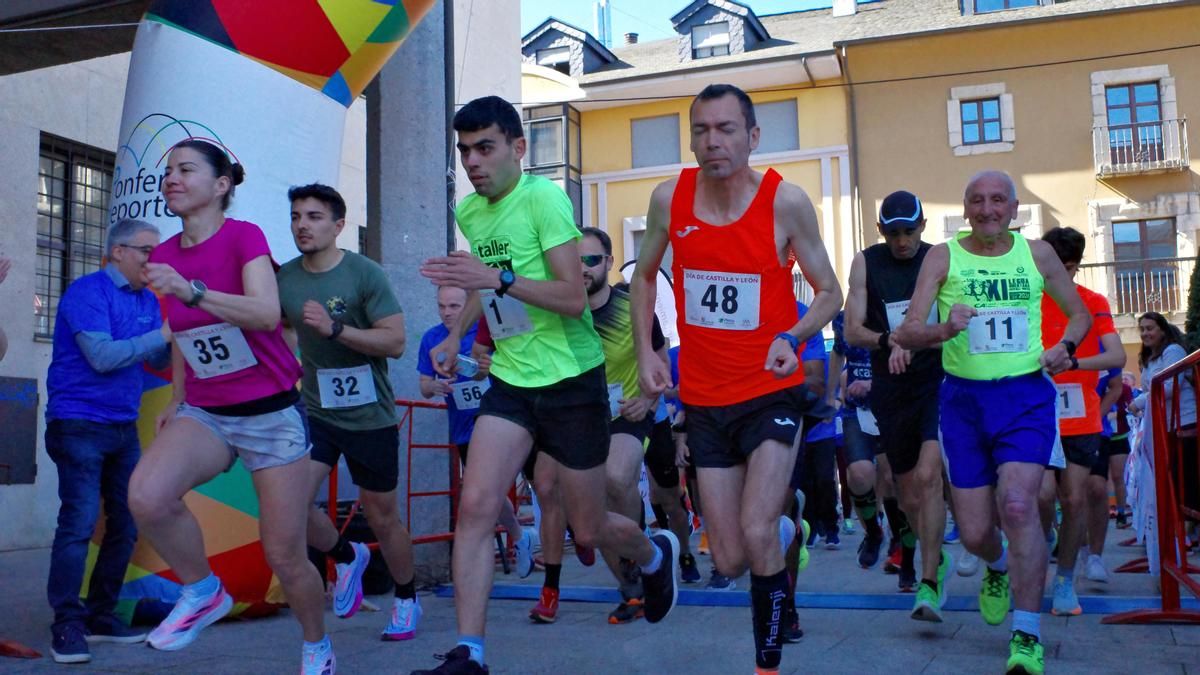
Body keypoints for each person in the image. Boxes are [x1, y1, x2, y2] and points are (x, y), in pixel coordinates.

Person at [415, 96, 678, 675]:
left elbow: (569, 296)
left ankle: (653, 554)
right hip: (511, 381)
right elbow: (484, 288)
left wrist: (499, 277)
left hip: (572, 382)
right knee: (477, 508)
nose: (474, 162)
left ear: (518, 148)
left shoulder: (545, 199)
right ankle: (470, 651)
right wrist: (456, 333)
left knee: (588, 527)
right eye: (465, 151)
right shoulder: (471, 212)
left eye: (485, 148)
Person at [631, 83, 841, 675]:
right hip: (703, 399)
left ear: (752, 136)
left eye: (726, 129)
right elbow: (645, 276)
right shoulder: (668, 198)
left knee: (754, 532)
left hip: (771, 389)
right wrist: (646, 350)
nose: (712, 141)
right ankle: (783, 517)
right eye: (701, 130)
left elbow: (830, 293)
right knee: (728, 554)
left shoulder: (785, 202)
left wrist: (792, 338)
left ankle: (766, 663)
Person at [127, 140, 331, 675]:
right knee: (146, 496)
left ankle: (316, 645)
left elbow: (266, 314)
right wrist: (176, 398)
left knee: (284, 555)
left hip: (270, 413)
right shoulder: (165, 255)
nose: (171, 178)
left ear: (221, 186)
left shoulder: (245, 238)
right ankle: (202, 591)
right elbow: (183, 338)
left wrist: (191, 291)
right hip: (208, 411)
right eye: (167, 170)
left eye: (186, 169)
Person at [895, 170, 1090, 675]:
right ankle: (997, 566)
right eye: (977, 201)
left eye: (997, 200)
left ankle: (1026, 635)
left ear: (1014, 208)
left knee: (1020, 504)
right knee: (978, 531)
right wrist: (943, 326)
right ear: (965, 209)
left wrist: (1065, 348)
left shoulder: (1038, 255)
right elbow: (908, 332)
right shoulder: (942, 256)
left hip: (1025, 396)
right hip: (962, 403)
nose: (987, 209)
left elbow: (1079, 316)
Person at [276, 183, 420, 641]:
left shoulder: (365, 274)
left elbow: (395, 342)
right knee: (290, 506)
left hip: (370, 416)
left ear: (338, 225)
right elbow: (277, 328)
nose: (303, 224)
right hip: (316, 412)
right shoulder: (286, 279)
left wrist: (336, 329)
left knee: (383, 516)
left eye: (314, 216)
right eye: (297, 216)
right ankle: (346, 554)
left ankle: (406, 595)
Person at [43, 221, 168, 663]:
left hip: (122, 426)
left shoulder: (149, 301)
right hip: (77, 423)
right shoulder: (87, 292)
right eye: (147, 251)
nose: (155, 260)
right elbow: (103, 356)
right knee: (77, 523)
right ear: (118, 252)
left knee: (127, 521)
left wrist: (198, 316)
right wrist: (166, 334)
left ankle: (99, 615)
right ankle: (67, 624)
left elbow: (159, 356)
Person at [845, 190, 951, 619]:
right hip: (891, 387)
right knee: (907, 495)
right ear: (880, 231)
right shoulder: (865, 262)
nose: (902, 241)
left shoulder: (939, 259)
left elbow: (952, 319)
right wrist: (890, 340)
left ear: (923, 226)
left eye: (909, 231)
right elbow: (852, 330)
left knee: (928, 477)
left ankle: (928, 580)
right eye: (893, 233)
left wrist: (923, 337)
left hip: (936, 380)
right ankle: (931, 553)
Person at [1037, 226, 1125, 616]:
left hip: (1081, 417)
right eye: (1055, 268)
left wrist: (1073, 362)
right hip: (1036, 413)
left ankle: (1065, 579)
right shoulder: (1029, 299)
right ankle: (1040, 551)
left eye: (1069, 268)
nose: (1063, 278)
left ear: (1077, 266)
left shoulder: (1093, 301)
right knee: (1039, 496)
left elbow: (1117, 358)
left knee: (1073, 499)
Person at [417, 285, 531, 577]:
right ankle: (520, 536)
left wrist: (490, 368)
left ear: (468, 305)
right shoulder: (432, 337)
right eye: (441, 306)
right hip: (465, 427)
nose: (446, 312)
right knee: (486, 490)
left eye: (454, 306)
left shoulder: (486, 328)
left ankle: (535, 535)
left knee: (519, 481)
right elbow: (424, 387)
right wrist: (436, 386)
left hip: (503, 418)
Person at [830, 310, 888, 570]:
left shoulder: (893, 312)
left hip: (891, 404)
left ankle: (902, 547)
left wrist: (874, 383)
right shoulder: (844, 319)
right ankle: (874, 532)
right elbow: (837, 352)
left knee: (891, 478)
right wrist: (829, 395)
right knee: (859, 474)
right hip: (855, 408)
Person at [1129, 312, 1197, 529]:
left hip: (1185, 421)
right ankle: (1179, 527)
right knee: (1172, 477)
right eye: (1142, 329)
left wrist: (1138, 402)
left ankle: (1189, 526)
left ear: (1162, 330)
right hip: (1163, 424)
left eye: (1150, 328)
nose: (1145, 333)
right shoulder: (1150, 358)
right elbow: (1154, 390)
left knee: (1187, 476)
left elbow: (1168, 388)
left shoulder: (1173, 351)